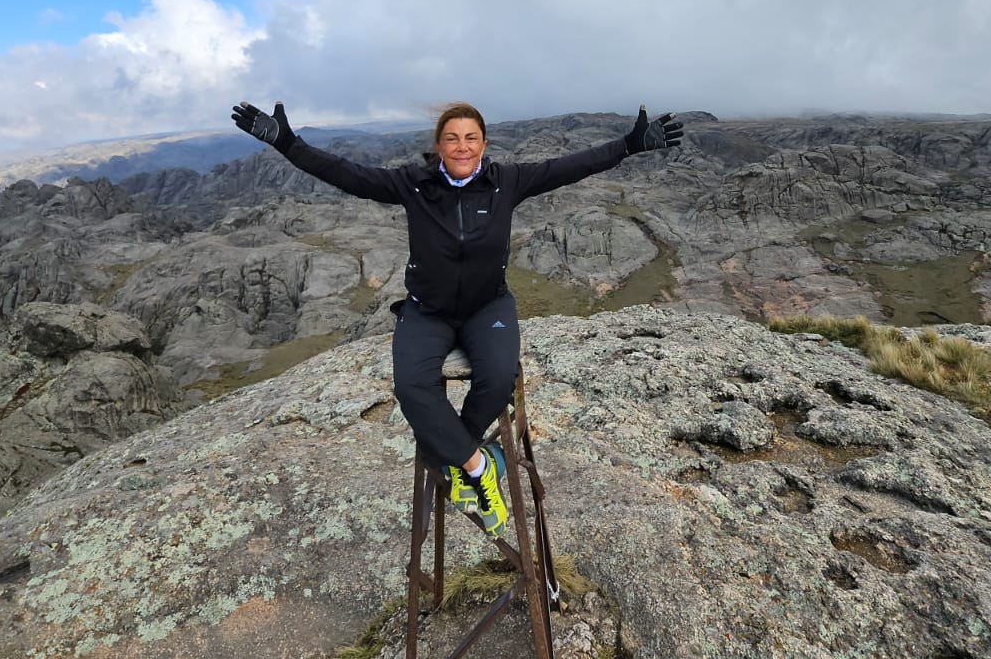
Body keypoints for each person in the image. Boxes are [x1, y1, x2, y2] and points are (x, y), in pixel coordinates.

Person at [231, 99, 683, 536]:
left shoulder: (508, 181)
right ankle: (481, 467)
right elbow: (349, 176)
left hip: (488, 307)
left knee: (499, 377)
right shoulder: (414, 184)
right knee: (411, 385)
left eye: (471, 138)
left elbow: (572, 165)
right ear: (439, 145)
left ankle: (455, 461)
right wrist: (288, 144)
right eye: (452, 138)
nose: (462, 146)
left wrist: (628, 144)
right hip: (427, 311)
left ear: (484, 144)